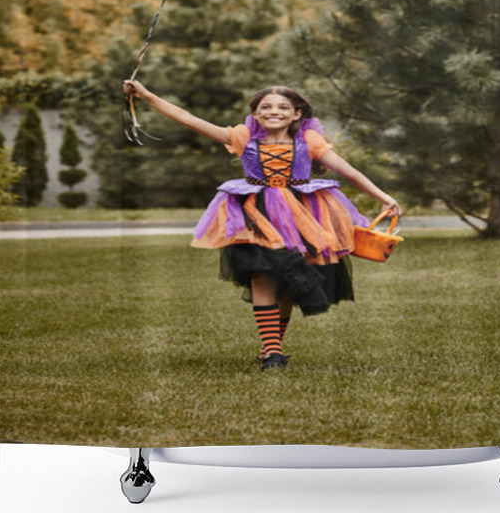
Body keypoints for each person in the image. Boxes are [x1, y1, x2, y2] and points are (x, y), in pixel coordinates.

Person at [122, 79, 400, 370]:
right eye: (264, 107)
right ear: (255, 114)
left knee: (288, 283)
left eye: (283, 107)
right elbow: (190, 120)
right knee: (262, 275)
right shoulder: (243, 138)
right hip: (257, 213)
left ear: (296, 114)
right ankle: (271, 352)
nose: (273, 111)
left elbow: (350, 172)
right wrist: (146, 95)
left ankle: (272, 345)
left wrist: (383, 197)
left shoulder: (309, 142)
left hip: (301, 216)